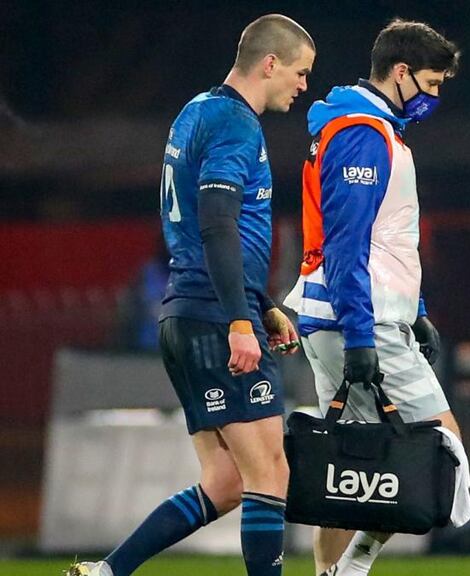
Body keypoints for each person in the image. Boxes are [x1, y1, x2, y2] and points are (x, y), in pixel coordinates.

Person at [68, 15, 314, 576]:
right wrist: (240, 320)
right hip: (213, 318)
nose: (304, 85)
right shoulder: (236, 123)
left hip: (188, 313)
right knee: (270, 473)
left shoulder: (196, 111)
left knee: (226, 483)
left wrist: (261, 305)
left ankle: (106, 572)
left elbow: (206, 229)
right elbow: (218, 223)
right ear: (269, 63)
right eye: (300, 72)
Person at [282, 18, 461, 576]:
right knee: (439, 448)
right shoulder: (363, 133)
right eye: (430, 84)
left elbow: (385, 237)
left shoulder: (370, 128)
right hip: (361, 322)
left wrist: (418, 311)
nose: (434, 98)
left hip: (347, 317)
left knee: (346, 463)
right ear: (401, 72)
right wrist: (362, 336)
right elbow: (347, 244)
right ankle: (352, 570)